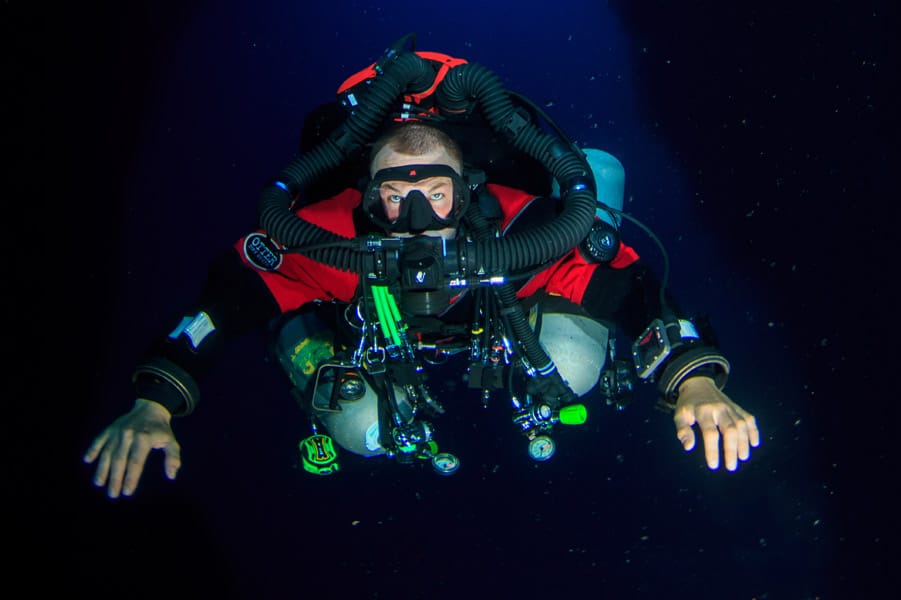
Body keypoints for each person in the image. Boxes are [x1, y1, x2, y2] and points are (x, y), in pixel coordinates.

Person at [84, 41, 759, 498]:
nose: (413, 213)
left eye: (433, 191)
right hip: (367, 340)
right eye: (392, 192)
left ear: (467, 191)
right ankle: (335, 374)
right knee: (364, 433)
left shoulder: (530, 229)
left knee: (574, 373)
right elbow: (221, 304)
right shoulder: (319, 239)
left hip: (510, 318)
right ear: (364, 194)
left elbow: (633, 290)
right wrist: (156, 403)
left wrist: (693, 380)